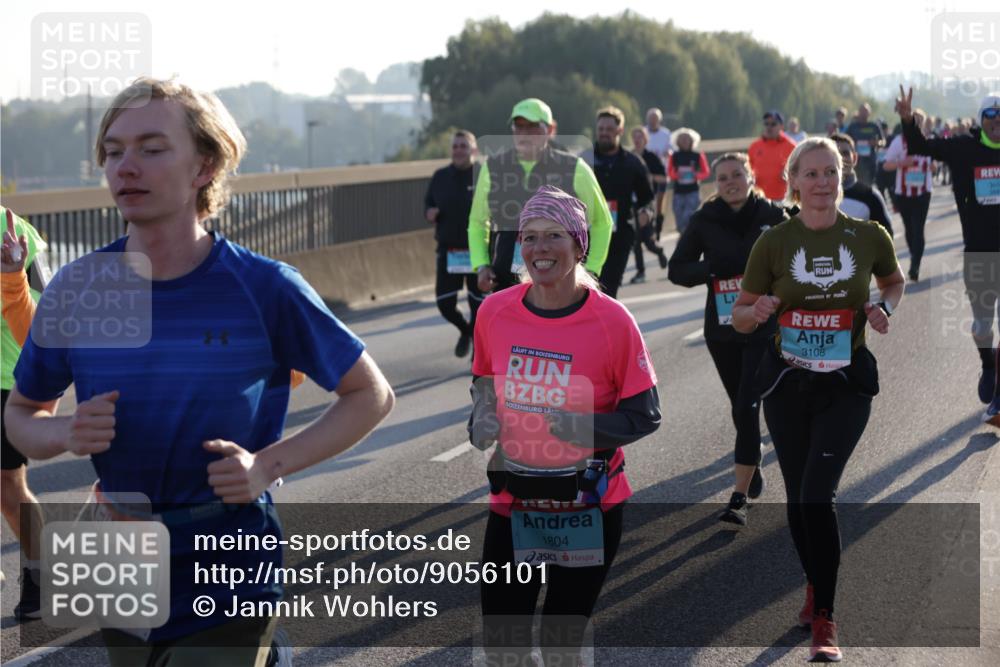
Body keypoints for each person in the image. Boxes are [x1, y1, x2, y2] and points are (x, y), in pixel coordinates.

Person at [4, 78, 396, 665]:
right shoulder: (78, 288)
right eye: (113, 152)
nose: (125, 166)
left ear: (205, 165)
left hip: (228, 552)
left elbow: (370, 393)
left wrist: (267, 464)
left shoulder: (265, 287)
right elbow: (20, 413)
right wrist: (62, 434)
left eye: (151, 148)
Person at [470, 184, 660, 665]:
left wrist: (582, 429)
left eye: (553, 236)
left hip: (587, 506)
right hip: (514, 503)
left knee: (561, 647)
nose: (540, 249)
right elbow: (483, 384)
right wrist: (483, 417)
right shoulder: (494, 311)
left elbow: (645, 414)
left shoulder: (613, 321)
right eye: (530, 238)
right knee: (503, 647)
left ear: (579, 245)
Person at [732, 137, 905, 662]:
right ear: (793, 181)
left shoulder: (868, 235)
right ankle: (814, 582)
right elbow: (739, 315)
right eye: (811, 173)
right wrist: (757, 311)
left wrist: (883, 309)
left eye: (831, 171)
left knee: (816, 494)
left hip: (846, 384)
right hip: (789, 383)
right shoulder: (775, 243)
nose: (823, 182)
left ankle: (825, 617)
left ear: (843, 176)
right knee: (796, 498)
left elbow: (893, 282)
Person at [668, 153, 786, 526]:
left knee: (748, 406)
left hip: (763, 326)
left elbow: (794, 259)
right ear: (715, 184)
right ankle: (752, 460)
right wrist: (713, 269)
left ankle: (738, 498)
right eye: (723, 178)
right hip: (722, 330)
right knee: (740, 406)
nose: (731, 182)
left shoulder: (773, 215)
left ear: (751, 176)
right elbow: (677, 269)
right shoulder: (704, 220)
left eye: (738, 175)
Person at [895, 87, 1000, 424]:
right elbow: (923, 147)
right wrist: (908, 120)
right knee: (983, 325)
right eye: (991, 116)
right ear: (982, 121)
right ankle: (988, 364)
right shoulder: (964, 149)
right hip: (980, 252)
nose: (997, 122)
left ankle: (998, 398)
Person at [468, 98, 612, 294]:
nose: (525, 133)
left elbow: (602, 222)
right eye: (519, 126)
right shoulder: (492, 168)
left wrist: (592, 270)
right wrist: (482, 265)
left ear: (550, 129)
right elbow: (477, 222)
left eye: (533, 127)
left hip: (561, 282)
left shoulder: (575, 168)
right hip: (506, 281)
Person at [0, 206, 48, 621]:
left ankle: (40, 576)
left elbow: (49, 314)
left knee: (8, 489)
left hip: (5, 375)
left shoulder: (12, 229)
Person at [580, 106, 657, 297]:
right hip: (586, 236)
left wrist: (646, 212)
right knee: (582, 289)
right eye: (601, 129)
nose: (604, 133)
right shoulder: (583, 161)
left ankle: (602, 324)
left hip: (620, 236)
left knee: (607, 289)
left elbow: (648, 197)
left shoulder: (633, 162)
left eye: (609, 129)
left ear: (620, 131)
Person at [424, 129, 484, 357]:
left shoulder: (483, 176)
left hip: (478, 252)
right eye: (455, 146)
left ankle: (479, 352)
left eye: (463, 146)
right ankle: (465, 330)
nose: (459, 150)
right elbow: (428, 203)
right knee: (445, 304)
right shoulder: (440, 177)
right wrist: (429, 212)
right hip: (449, 251)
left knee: (479, 306)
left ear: (474, 150)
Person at [882, 110, 934, 281]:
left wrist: (933, 167)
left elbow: (936, 164)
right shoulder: (899, 142)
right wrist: (902, 163)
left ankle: (915, 265)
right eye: (913, 121)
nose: (916, 125)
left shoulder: (929, 141)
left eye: (919, 122)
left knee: (919, 229)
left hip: (923, 192)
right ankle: (914, 255)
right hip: (903, 193)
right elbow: (886, 165)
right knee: (909, 229)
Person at [832, 133, 894, 237]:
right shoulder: (812, 195)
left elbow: (886, 239)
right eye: (834, 154)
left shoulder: (871, 196)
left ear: (855, 158)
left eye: (845, 153)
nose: (840, 158)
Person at [629, 126, 670, 284]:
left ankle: (658, 251)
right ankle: (640, 272)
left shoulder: (652, 157)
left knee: (646, 240)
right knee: (636, 239)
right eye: (635, 137)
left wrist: (648, 176)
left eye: (641, 137)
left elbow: (663, 179)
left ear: (645, 140)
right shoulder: (628, 157)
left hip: (647, 201)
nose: (637, 140)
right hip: (631, 203)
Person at [667, 127, 711, 234]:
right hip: (678, 192)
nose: (684, 141)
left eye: (687, 139)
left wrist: (696, 175)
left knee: (690, 217)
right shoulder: (674, 156)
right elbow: (669, 172)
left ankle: (689, 238)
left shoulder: (698, 155)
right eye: (682, 139)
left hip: (693, 191)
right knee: (679, 219)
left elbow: (706, 172)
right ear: (677, 142)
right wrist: (677, 175)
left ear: (692, 141)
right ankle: (683, 236)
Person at [748, 110, 797, 201]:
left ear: (781, 126)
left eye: (773, 124)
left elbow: (800, 169)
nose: (769, 127)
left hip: (783, 198)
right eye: (766, 124)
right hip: (759, 198)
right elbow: (748, 169)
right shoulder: (754, 146)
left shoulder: (791, 146)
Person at [645, 107, 673, 239]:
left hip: (661, 173)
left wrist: (668, 153)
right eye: (650, 119)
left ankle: (659, 226)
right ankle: (648, 228)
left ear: (659, 120)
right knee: (647, 201)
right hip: (647, 173)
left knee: (659, 202)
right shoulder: (644, 132)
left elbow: (671, 149)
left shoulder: (666, 134)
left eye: (655, 119)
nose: (652, 121)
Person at [845, 103, 885, 186]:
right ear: (858, 112)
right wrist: (852, 144)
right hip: (856, 162)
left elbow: (883, 142)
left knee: (868, 185)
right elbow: (845, 141)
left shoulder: (874, 126)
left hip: (870, 162)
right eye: (862, 111)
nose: (864, 113)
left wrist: (877, 143)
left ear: (869, 113)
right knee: (856, 184)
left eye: (866, 111)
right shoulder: (853, 126)